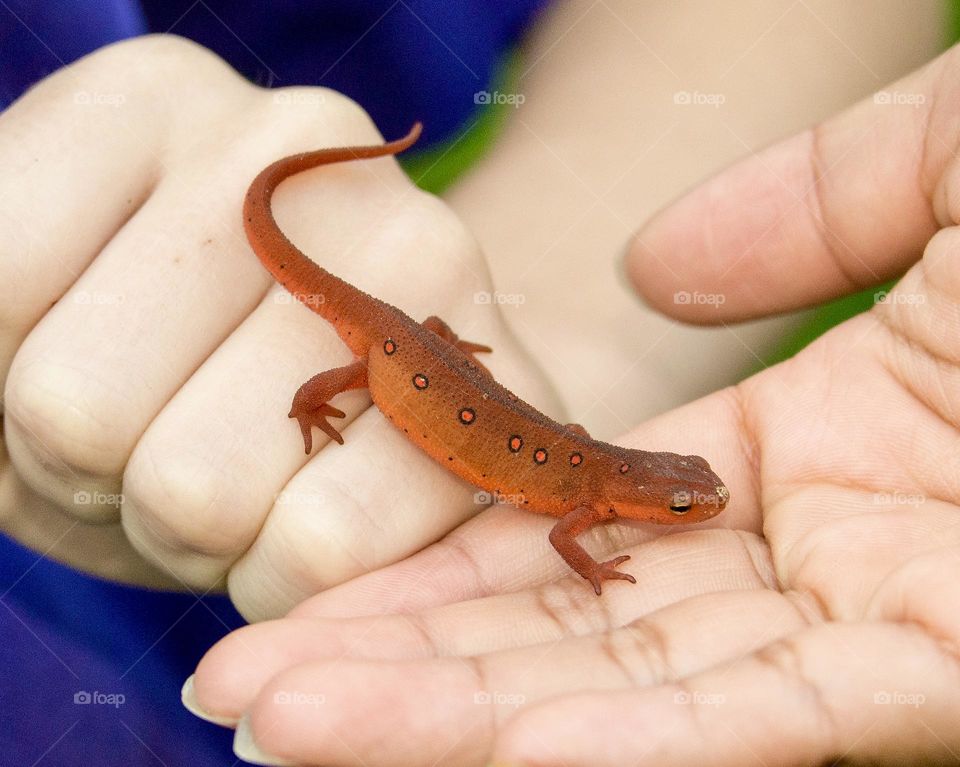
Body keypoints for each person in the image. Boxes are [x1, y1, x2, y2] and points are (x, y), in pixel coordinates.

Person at [0, 1, 954, 765]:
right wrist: (599, 569)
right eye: (679, 501)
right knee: (362, 372)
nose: (691, 505)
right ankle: (308, 400)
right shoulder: (582, 499)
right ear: (633, 491)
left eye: (686, 495)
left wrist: (574, 345)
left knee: (403, 364)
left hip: (418, 355)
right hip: (394, 356)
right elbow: (573, 543)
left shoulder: (590, 473)